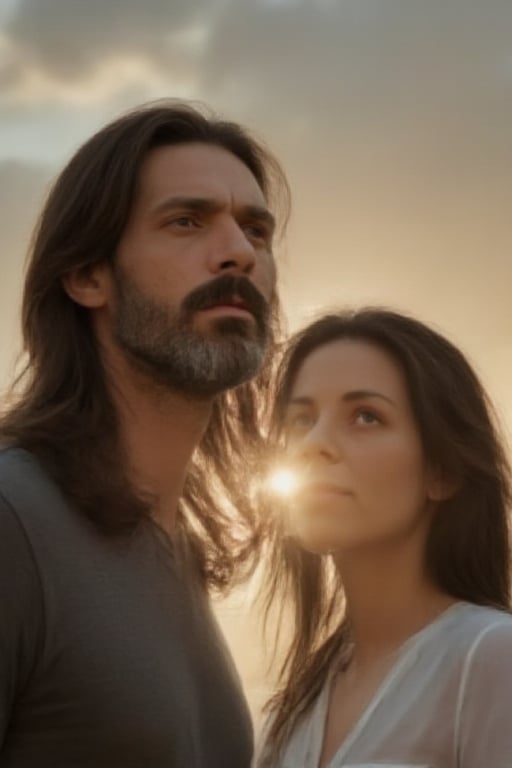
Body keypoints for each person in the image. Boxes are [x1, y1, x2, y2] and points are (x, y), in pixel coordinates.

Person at [0, 100, 289, 767]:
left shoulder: (178, 553)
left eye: (256, 231)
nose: (238, 254)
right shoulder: (15, 521)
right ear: (87, 275)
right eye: (187, 222)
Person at [257, 308, 512, 768]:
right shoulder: (291, 710)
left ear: (443, 470)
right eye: (302, 420)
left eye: (366, 417)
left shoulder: (490, 656)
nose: (315, 442)